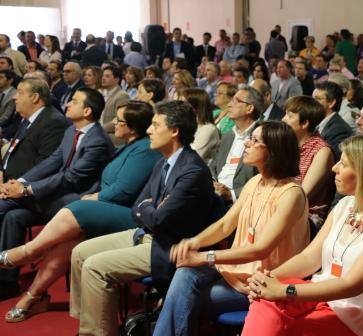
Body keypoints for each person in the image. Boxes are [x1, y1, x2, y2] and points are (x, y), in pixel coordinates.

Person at [243, 134, 363, 336]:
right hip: (325, 298)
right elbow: (309, 258)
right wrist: (267, 280)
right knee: (264, 298)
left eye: (343, 164)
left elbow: (351, 286)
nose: (334, 168)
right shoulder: (346, 205)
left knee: (285, 321)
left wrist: (283, 290)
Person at [2, 101, 161, 322]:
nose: (114, 122)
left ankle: (29, 251)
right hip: (108, 208)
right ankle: (33, 296)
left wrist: (95, 197)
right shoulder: (129, 145)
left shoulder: (144, 149)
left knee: (77, 206)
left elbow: (123, 191)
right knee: (70, 241)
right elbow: (56, 164)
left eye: (119, 120)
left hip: (129, 215)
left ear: (132, 127)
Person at [69, 100, 216, 336]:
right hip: (146, 234)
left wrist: (149, 209)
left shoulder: (193, 171)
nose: (148, 130)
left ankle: (96, 333)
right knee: (79, 253)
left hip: (167, 246)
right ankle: (90, 322)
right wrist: (150, 208)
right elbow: (137, 207)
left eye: (155, 125)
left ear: (175, 131)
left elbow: (158, 219)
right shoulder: (162, 162)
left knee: (95, 267)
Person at [154, 121, 310, 336]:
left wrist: (204, 256)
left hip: (263, 281)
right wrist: (193, 242)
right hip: (234, 271)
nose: (247, 143)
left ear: (273, 151)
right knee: (184, 275)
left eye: (255, 141)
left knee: (180, 300)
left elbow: (261, 249)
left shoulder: (291, 194)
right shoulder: (255, 181)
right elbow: (226, 225)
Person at [0, 88, 114, 300]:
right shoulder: (71, 131)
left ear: (87, 110)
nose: (67, 104)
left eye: (74, 101)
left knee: (4, 203)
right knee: (13, 217)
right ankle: (7, 282)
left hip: (74, 203)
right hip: (54, 196)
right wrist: (22, 182)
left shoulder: (97, 140)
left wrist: (24, 191)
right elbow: (52, 162)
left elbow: (70, 178)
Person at [1, 78, 68, 184]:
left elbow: (45, 165)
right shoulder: (28, 117)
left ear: (35, 97)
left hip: (21, 187)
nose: (14, 97)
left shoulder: (53, 122)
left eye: (20, 93)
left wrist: (13, 185)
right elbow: (12, 150)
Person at [283, 96, 335, 225]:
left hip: (307, 218)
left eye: (290, 116)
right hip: (283, 206)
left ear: (305, 123)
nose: (283, 119)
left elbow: (301, 194)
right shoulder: (287, 145)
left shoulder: (322, 151)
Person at [210, 86, 264, 205]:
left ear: (249, 108)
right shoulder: (228, 136)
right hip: (215, 197)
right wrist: (213, 184)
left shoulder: (263, 136)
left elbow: (265, 179)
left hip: (240, 204)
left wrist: (231, 195)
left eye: (236, 101)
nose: (229, 105)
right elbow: (213, 166)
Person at [313, 81, 353, 159]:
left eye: (318, 99)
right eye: (313, 98)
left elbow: (330, 161)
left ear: (331, 103)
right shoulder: (316, 122)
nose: (312, 102)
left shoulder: (339, 130)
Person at [181, 88, 220, 161]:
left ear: (196, 107)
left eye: (184, 104)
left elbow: (191, 158)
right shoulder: (187, 125)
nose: (180, 108)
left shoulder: (208, 129)